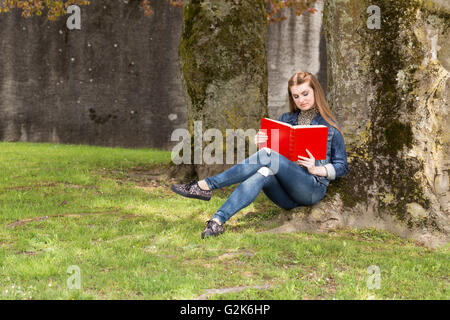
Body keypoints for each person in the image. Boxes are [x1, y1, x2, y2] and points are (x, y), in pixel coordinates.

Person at [170, 71, 349, 239]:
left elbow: (342, 166)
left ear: (315, 92)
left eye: (305, 93)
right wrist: (264, 143)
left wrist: (317, 169)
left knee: (267, 156)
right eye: (296, 96)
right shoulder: (287, 120)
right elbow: (277, 153)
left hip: (311, 188)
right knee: (263, 171)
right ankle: (217, 221)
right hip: (286, 195)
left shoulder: (329, 126)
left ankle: (206, 185)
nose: (301, 100)